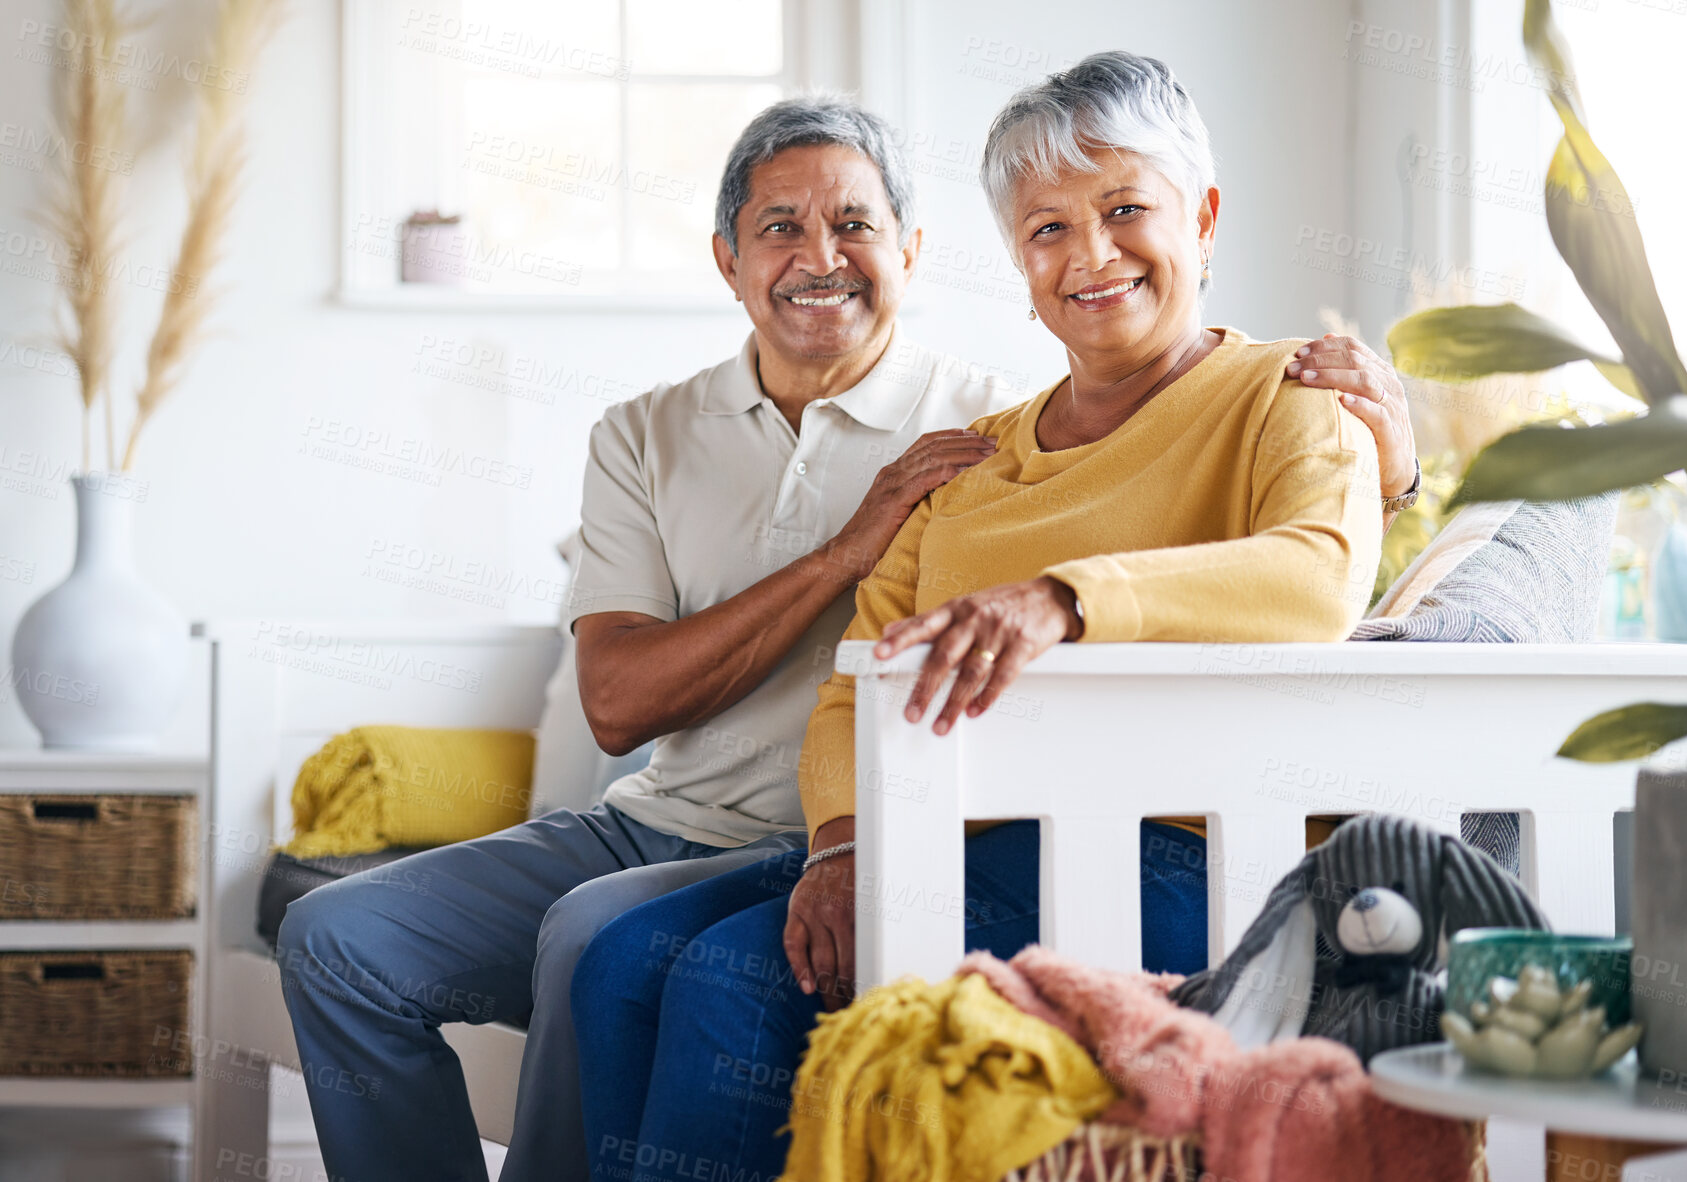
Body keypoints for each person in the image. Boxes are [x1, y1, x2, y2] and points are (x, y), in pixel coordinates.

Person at [275, 93, 1412, 1182]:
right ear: (728, 259)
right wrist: (843, 838)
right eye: (1050, 230)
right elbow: (837, 673)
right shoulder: (977, 447)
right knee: (576, 956)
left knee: (659, 962)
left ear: (912, 253)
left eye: (1125, 211)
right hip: (777, 823)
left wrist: (1386, 473)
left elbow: (1307, 566)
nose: (1090, 256)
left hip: (1092, 836)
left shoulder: (1179, 397)